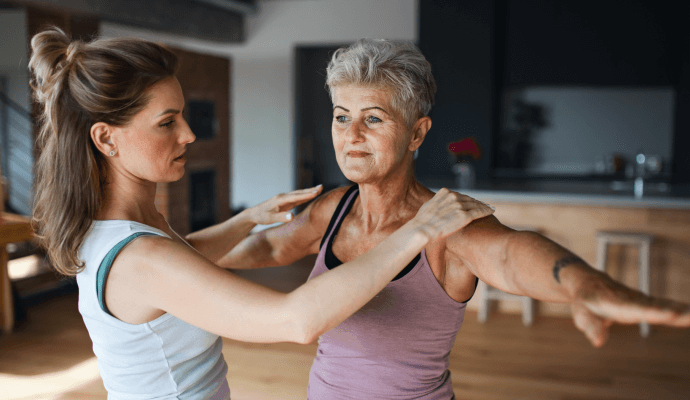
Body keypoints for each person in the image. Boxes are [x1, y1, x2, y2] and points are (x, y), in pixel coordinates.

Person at [29, 29, 495, 400]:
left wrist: (246, 219)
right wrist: (417, 231)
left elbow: (181, 260)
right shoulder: (143, 256)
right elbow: (296, 320)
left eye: (183, 115)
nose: (189, 134)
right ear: (107, 140)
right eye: (167, 122)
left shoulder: (121, 230)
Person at [223, 39, 690, 399]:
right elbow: (270, 246)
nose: (352, 136)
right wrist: (185, 261)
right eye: (342, 118)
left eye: (374, 119)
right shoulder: (334, 207)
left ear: (416, 132)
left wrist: (580, 284)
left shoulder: (445, 224)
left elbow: (509, 254)